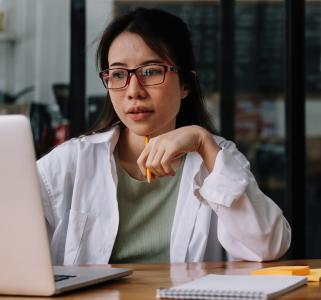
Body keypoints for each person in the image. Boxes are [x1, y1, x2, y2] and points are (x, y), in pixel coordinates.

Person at [36, 7, 291, 265]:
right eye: (118, 74)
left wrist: (203, 142)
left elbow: (269, 247)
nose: (133, 91)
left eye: (150, 71)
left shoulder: (217, 157)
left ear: (185, 84)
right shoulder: (70, 161)